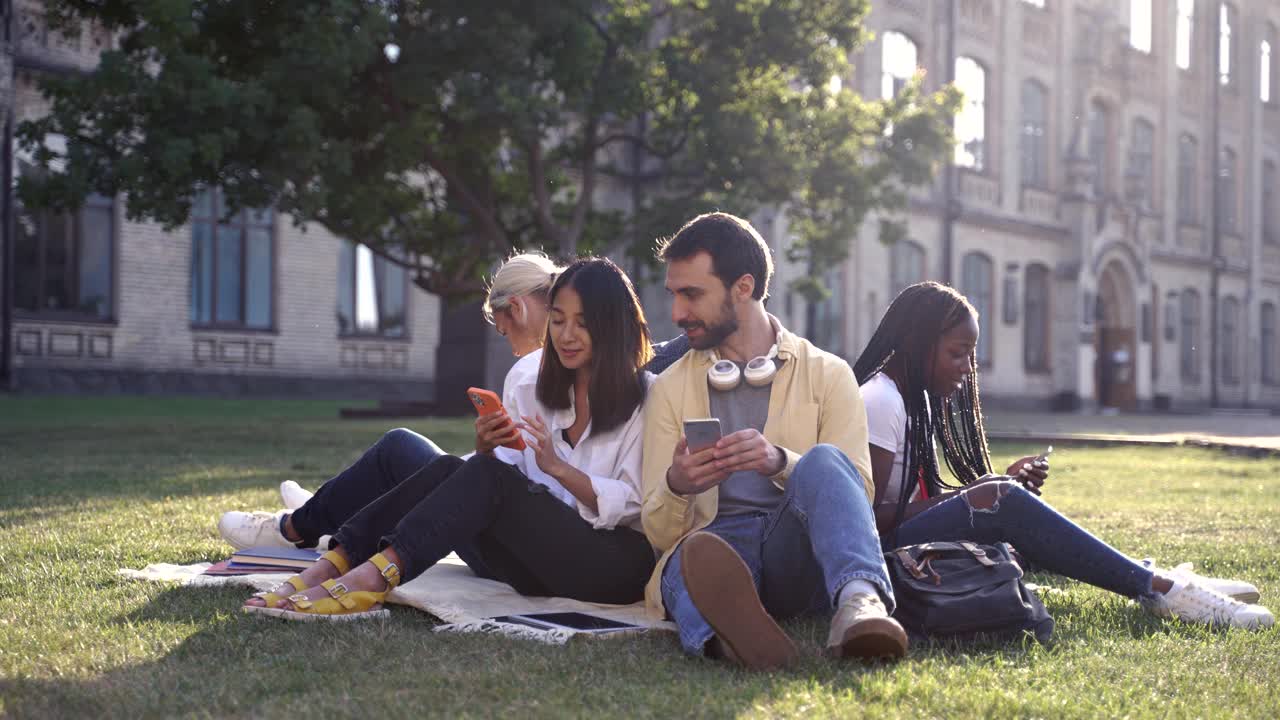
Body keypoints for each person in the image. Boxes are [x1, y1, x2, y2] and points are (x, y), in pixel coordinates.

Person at [243, 257, 659, 618]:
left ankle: (369, 579)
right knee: (453, 467)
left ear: (612, 325)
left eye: (583, 324)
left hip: (610, 566)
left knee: (474, 473)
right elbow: (514, 485)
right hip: (537, 561)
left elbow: (637, 503)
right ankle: (334, 563)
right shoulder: (544, 391)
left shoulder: (647, 397)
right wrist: (488, 450)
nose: (566, 336)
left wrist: (561, 470)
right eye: (558, 321)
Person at [853, 281, 1272, 631]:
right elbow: (867, 521)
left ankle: (1153, 574)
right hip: (882, 560)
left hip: (904, 544)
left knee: (1007, 497)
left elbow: (916, 498)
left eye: (971, 355)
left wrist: (981, 489)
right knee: (1000, 498)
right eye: (957, 353)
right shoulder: (880, 400)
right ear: (918, 343)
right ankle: (1163, 589)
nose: (967, 367)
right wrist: (980, 494)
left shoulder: (913, 399)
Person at [641, 212, 907, 671]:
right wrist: (676, 484)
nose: (676, 314)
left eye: (692, 294)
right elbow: (658, 533)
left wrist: (781, 462)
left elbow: (856, 496)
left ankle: (860, 607)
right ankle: (731, 639)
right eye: (674, 295)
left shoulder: (828, 374)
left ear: (743, 288)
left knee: (824, 460)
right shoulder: (668, 388)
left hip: (795, 550)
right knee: (685, 558)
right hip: (714, 546)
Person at [218, 252, 564, 551]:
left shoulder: (530, 371)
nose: (511, 346)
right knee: (422, 461)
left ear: (516, 308)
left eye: (505, 333)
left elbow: (507, 475)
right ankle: (327, 513)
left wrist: (484, 452)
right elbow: (521, 465)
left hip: (510, 543)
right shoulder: (570, 365)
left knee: (399, 448)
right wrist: (484, 449)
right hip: (529, 531)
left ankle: (291, 530)